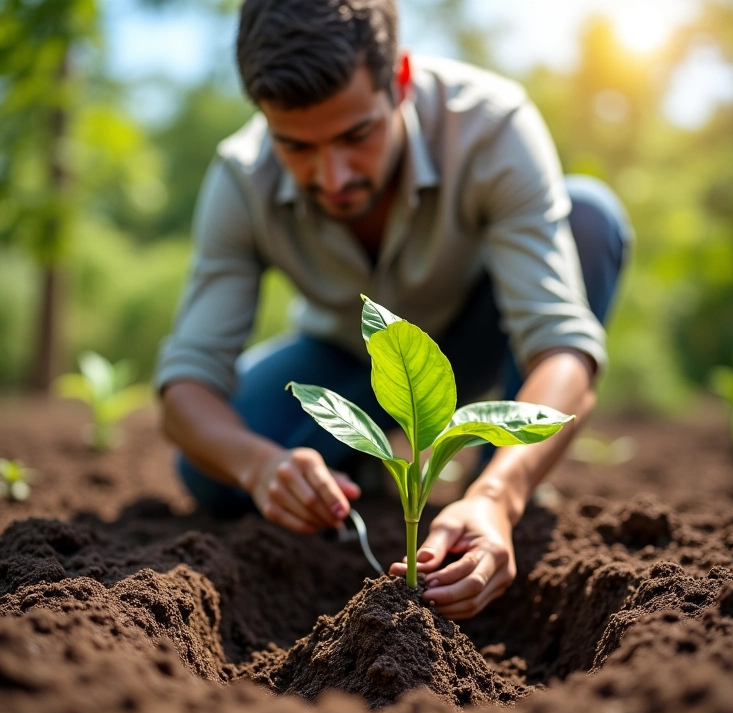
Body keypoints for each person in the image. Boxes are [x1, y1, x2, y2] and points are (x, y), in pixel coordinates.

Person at [155, 0, 633, 620]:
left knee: (588, 216)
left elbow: (561, 346)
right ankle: (365, 469)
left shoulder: (489, 125)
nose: (333, 176)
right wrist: (260, 466)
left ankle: (490, 499)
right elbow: (185, 387)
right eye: (297, 147)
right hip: (348, 361)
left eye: (357, 135)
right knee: (209, 474)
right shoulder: (242, 178)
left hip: (478, 336)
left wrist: (498, 493)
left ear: (399, 81)